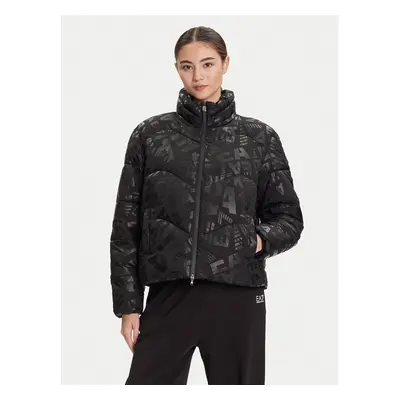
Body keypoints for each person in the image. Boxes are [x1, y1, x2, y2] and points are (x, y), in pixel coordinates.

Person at [109, 25, 304, 385]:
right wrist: (128, 306)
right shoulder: (150, 135)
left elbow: (289, 219)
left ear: (225, 64)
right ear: (177, 69)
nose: (197, 76)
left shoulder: (258, 138)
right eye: (187, 66)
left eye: (208, 64)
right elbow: (126, 227)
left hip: (237, 296)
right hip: (169, 296)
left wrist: (255, 241)